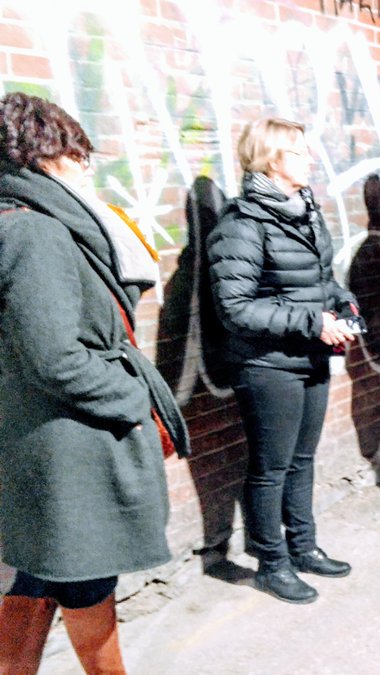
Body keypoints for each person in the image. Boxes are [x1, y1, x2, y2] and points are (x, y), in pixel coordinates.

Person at [0, 92, 189, 673]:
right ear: (46, 155)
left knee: (39, 574)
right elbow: (55, 356)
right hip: (69, 447)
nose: (88, 168)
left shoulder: (26, 222)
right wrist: (130, 397)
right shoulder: (37, 232)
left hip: (46, 442)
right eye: (79, 155)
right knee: (83, 576)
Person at [208, 118, 358, 604]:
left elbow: (318, 281)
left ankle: (304, 545)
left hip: (310, 356)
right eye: (300, 152)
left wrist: (342, 303)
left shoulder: (304, 211)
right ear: (273, 160)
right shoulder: (243, 223)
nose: (310, 159)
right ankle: (272, 563)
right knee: (271, 466)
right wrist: (312, 322)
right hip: (268, 364)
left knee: (303, 460)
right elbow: (235, 308)